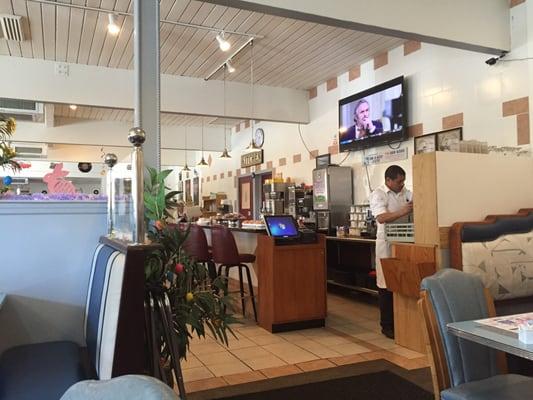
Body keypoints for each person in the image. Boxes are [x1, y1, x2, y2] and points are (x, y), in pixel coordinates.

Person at [369, 165, 413, 339]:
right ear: (388, 180)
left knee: (401, 282)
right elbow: (381, 217)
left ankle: (403, 322)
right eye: (399, 181)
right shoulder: (378, 194)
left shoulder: (406, 193)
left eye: (403, 181)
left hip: (404, 241)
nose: (402, 184)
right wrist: (403, 210)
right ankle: (387, 325)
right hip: (386, 244)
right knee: (386, 284)